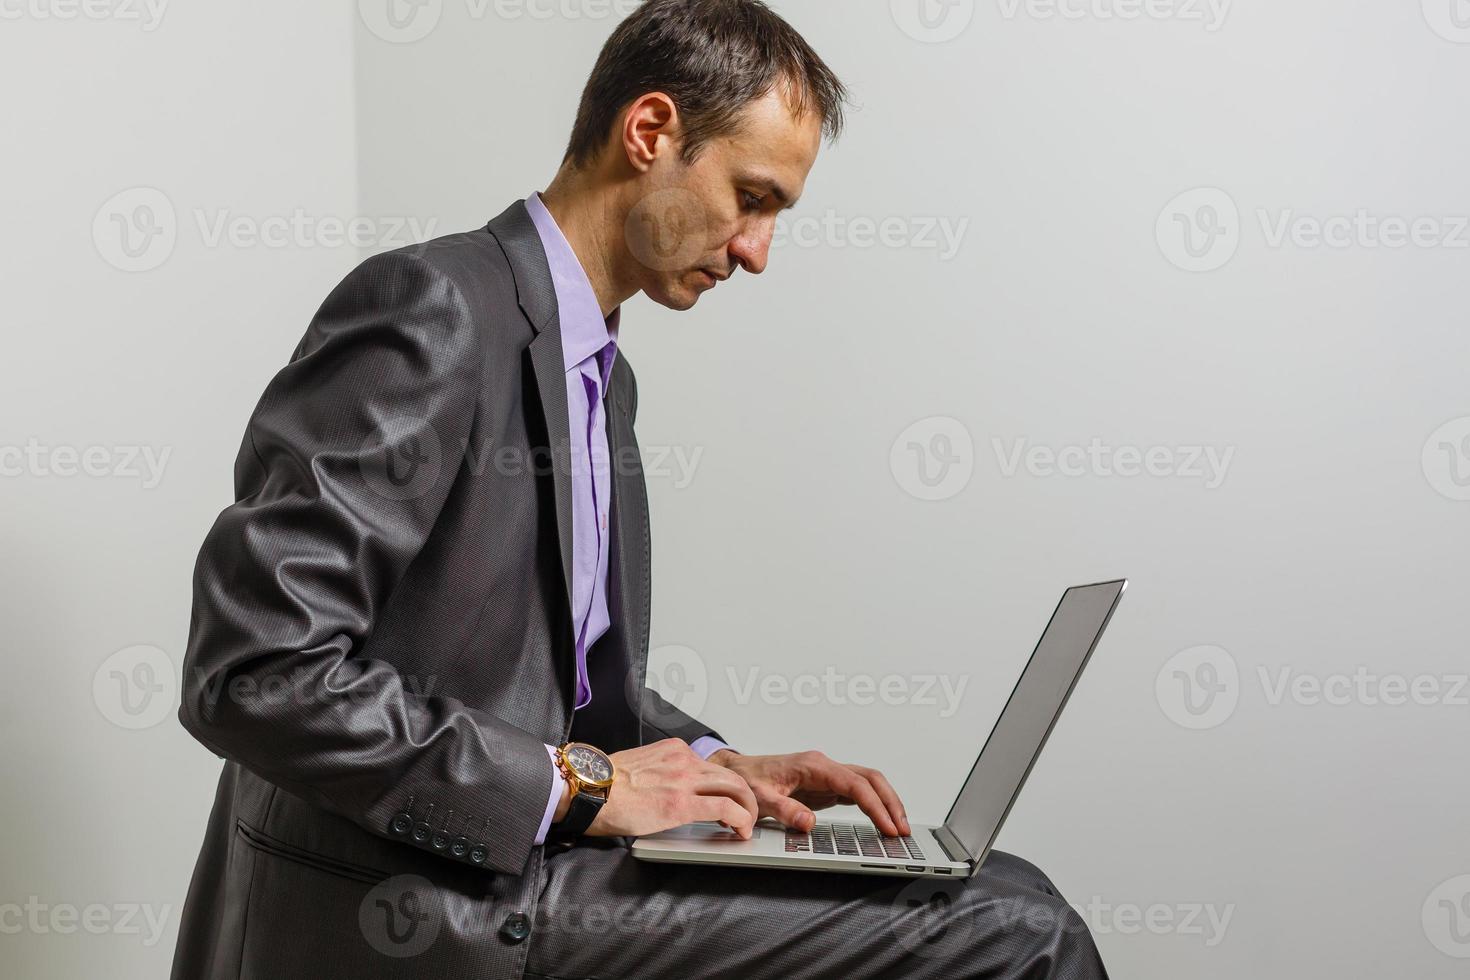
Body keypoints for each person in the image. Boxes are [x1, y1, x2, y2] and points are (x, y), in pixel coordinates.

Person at [170, 2, 1110, 977]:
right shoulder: (435, 308)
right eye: (752, 196)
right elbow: (253, 671)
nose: (756, 250)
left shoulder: (600, 376)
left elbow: (560, 693)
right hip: (427, 899)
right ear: (651, 131)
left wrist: (717, 765)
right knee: (1021, 936)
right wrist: (577, 786)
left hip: (532, 864)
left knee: (1015, 888)